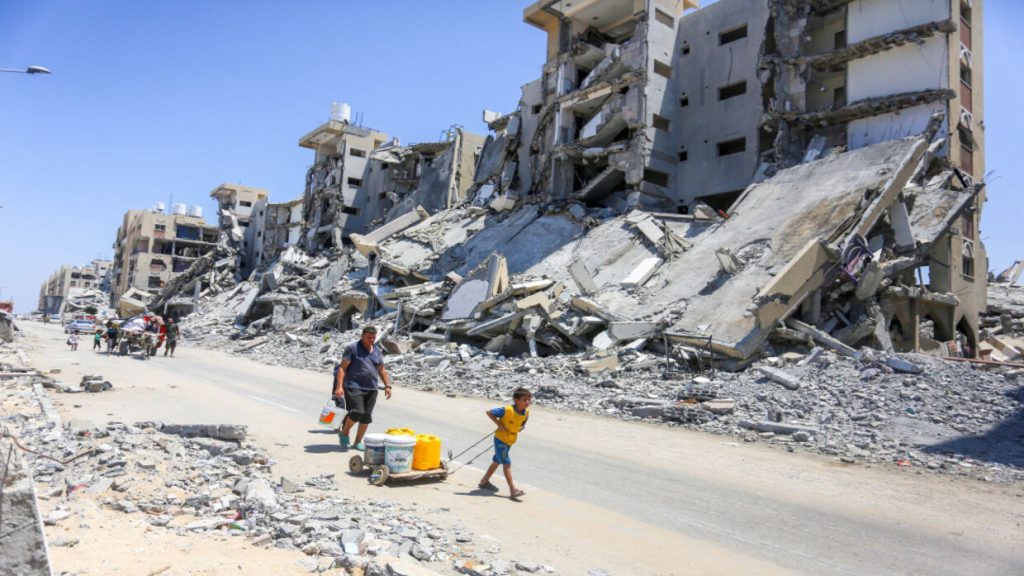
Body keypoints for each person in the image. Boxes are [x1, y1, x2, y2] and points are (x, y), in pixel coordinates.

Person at [332, 326, 391, 451]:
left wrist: (388, 386)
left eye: (373, 337)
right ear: (362, 336)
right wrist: (339, 387)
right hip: (354, 386)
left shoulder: (376, 350)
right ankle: (345, 432)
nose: (371, 340)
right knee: (357, 412)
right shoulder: (352, 348)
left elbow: (381, 370)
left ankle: (357, 442)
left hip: (372, 388)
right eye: (368, 337)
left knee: (366, 416)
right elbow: (342, 368)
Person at [478, 387, 532, 499]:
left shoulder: (526, 412)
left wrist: (522, 426)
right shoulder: (507, 410)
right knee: (506, 463)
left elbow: (524, 420)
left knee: (497, 460)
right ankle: (513, 490)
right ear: (516, 400)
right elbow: (489, 412)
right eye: (524, 400)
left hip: (511, 439)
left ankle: (484, 481)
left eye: (529, 400)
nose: (528, 402)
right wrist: (499, 425)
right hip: (501, 439)